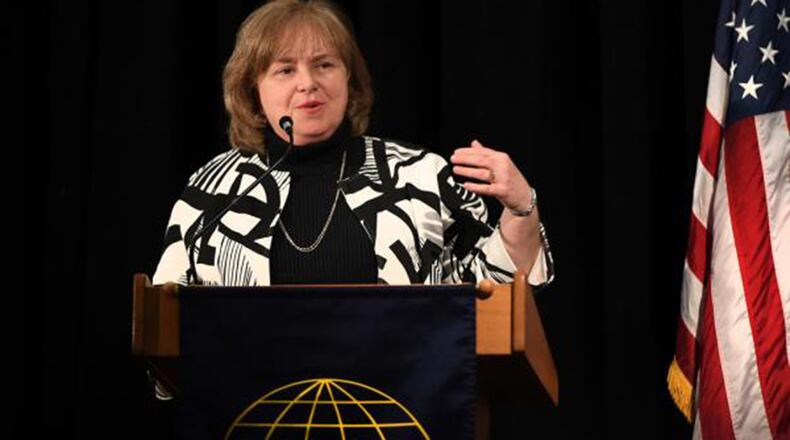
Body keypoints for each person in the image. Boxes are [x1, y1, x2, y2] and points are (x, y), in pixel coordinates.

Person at [153, 0, 553, 290]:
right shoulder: (214, 190)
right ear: (253, 91)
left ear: (349, 78)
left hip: (399, 387)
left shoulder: (420, 178)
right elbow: (168, 319)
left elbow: (496, 295)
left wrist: (522, 208)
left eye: (324, 64)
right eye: (285, 70)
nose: (307, 83)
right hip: (251, 388)